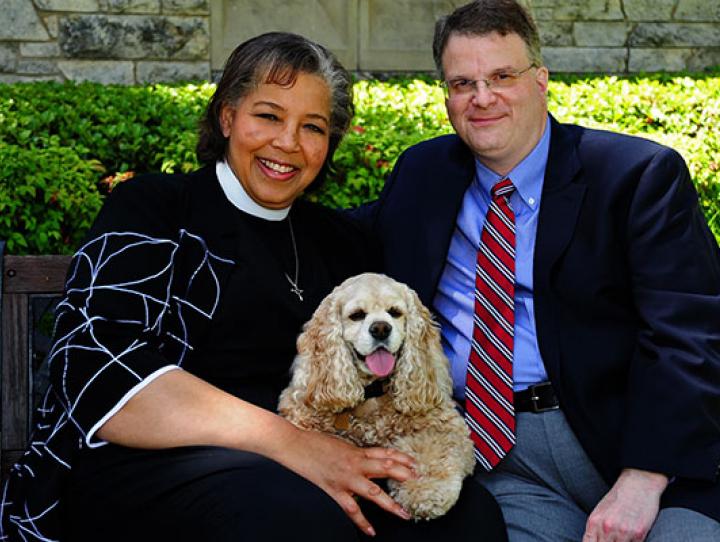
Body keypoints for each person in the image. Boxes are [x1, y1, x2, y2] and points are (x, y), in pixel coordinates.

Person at [0, 32, 507, 541]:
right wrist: (291, 445)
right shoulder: (157, 208)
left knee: (467, 519)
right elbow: (97, 371)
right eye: (268, 116)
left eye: (313, 127)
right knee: (293, 520)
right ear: (227, 117)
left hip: (307, 463)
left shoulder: (342, 243)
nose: (288, 143)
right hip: (151, 465)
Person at [352, 1, 720, 540]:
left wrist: (644, 476)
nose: (482, 98)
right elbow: (337, 242)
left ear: (541, 80)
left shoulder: (636, 176)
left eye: (502, 76)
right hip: (503, 459)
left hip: (635, 440)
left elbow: (691, 333)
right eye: (462, 83)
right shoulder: (423, 174)